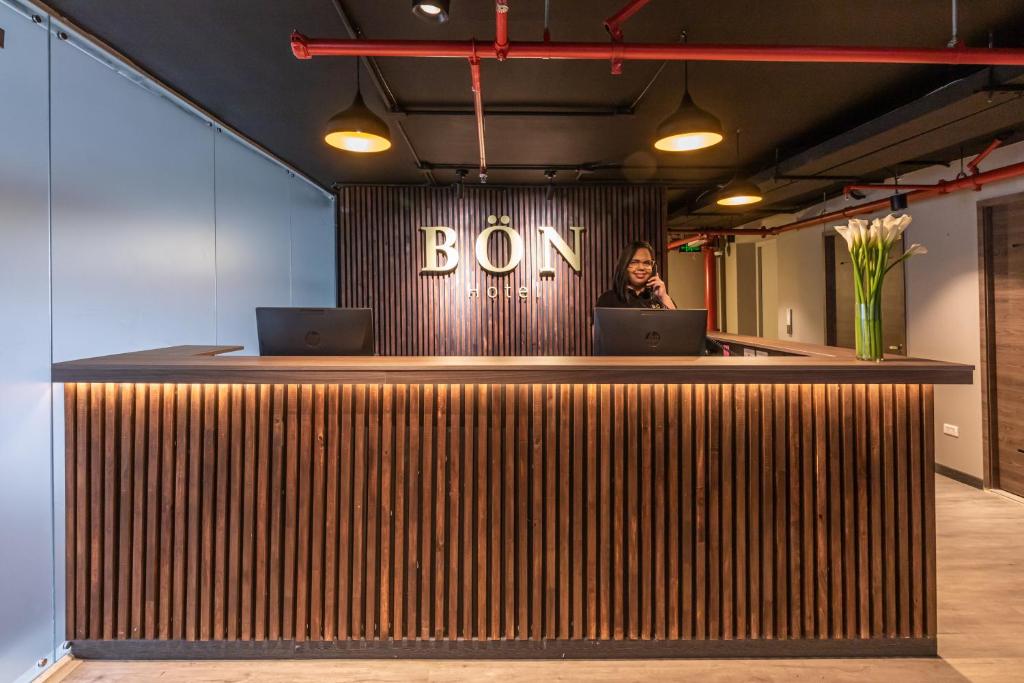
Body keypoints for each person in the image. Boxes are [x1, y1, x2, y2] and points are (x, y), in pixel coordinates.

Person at [595, 240, 677, 310]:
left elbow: (679, 326)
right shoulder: (607, 300)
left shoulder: (660, 299)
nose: (641, 267)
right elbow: (597, 328)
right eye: (634, 262)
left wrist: (664, 297)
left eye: (647, 263)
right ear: (624, 265)